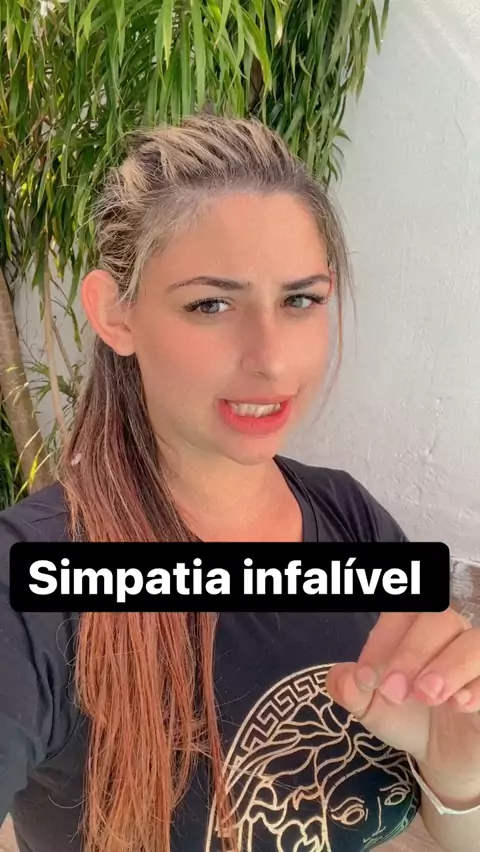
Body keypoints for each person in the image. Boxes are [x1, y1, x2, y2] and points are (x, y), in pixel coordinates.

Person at [0, 114, 479, 852]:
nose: (272, 359)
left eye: (300, 300)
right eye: (211, 305)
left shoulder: (349, 515)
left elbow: (449, 833)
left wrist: (456, 775)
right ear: (115, 315)